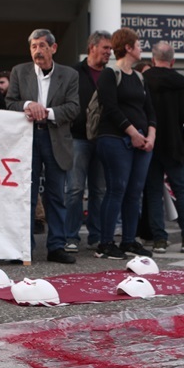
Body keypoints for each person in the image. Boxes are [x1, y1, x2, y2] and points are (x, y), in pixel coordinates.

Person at [5, 29, 80, 264]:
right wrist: (29, 104)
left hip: (55, 138)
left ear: (53, 48)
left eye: (42, 46)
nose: (37, 50)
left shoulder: (69, 75)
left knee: (56, 195)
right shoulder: (20, 71)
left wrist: (46, 112)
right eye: (34, 46)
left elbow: (74, 108)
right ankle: (24, 247)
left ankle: (56, 246)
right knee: (26, 194)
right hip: (27, 140)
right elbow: (9, 104)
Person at [94, 27, 157, 260]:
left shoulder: (140, 77)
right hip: (114, 139)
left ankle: (130, 240)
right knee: (116, 189)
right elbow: (110, 107)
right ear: (128, 48)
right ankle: (106, 242)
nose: (141, 48)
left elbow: (150, 110)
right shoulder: (110, 74)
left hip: (141, 142)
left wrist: (150, 136)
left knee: (134, 192)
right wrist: (132, 133)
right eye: (138, 45)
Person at [142, 41, 184, 254]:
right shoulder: (182, 83)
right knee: (182, 190)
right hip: (174, 144)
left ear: (153, 59)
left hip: (150, 143)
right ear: (173, 60)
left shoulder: (144, 80)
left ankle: (159, 239)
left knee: (153, 192)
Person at [64, 30, 112, 253]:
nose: (109, 52)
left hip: (103, 139)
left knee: (99, 190)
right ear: (92, 47)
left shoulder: (111, 74)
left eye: (110, 49)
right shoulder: (74, 72)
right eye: (105, 48)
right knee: (74, 189)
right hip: (78, 138)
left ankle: (96, 236)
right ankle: (70, 236)